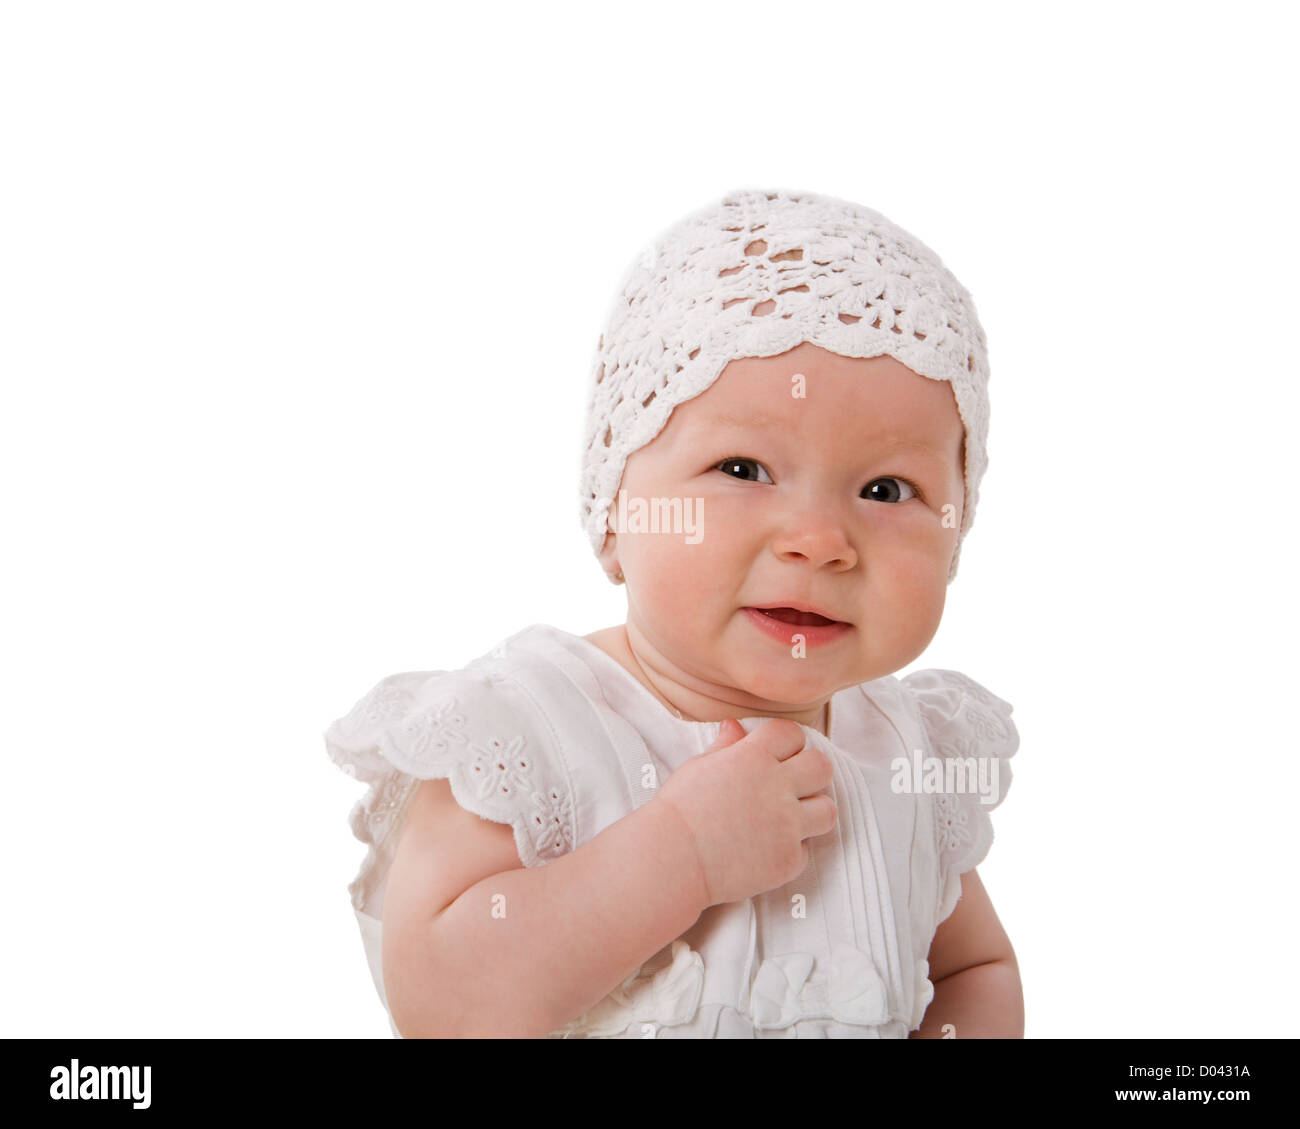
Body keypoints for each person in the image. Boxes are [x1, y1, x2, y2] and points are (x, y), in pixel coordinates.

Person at [324, 187, 1023, 1038]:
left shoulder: (903, 761)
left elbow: (974, 967)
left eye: (886, 489)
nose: (818, 539)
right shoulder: (530, 736)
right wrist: (679, 856)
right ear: (617, 507)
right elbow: (444, 1003)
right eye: (743, 468)